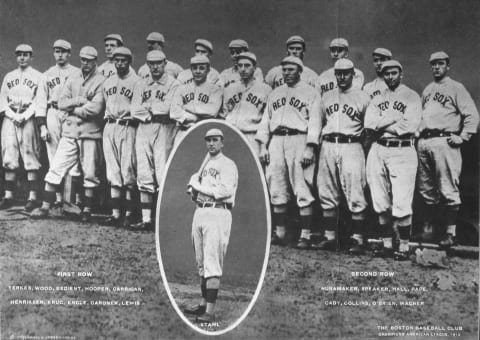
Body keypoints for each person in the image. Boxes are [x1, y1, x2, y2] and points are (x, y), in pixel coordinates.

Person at [31, 46, 105, 222]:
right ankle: (45, 207)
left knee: (89, 172)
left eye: (89, 60)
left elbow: (96, 109)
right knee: (56, 166)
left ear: (95, 61)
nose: (85, 63)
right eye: (83, 60)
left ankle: (86, 209)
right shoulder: (73, 78)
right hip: (70, 131)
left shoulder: (102, 80)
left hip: (90, 132)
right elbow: (62, 103)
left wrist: (74, 110)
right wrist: (79, 101)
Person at [256, 56, 321, 248]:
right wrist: (262, 145)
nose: (287, 73)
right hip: (276, 139)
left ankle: (306, 235)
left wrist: (310, 147)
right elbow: (265, 122)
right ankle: (280, 233)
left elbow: (315, 122)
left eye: (291, 70)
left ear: (300, 71)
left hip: (299, 138)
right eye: (284, 70)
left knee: (301, 184)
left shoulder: (311, 92)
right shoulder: (275, 93)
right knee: (275, 183)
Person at [415, 51, 479, 248]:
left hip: (445, 141)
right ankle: (429, 230)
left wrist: (462, 136)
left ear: (447, 66)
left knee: (448, 187)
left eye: (440, 64)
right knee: (426, 189)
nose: (436, 67)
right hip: (425, 141)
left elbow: (472, 115)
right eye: (433, 64)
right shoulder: (427, 90)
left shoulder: (456, 88)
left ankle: (450, 233)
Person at [364, 60, 421, 260]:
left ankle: (403, 246)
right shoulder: (377, 98)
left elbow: (409, 126)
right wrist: (393, 121)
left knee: (402, 199)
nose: (389, 76)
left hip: (402, 149)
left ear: (401, 73)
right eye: (386, 73)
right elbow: (369, 124)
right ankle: (387, 244)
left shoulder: (412, 96)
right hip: (378, 149)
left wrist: (382, 124)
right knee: (379, 198)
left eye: (393, 73)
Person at [315, 59, 371, 254]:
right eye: (339, 73)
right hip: (329, 144)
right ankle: (330, 237)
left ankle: (358, 239)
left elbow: (369, 127)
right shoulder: (326, 97)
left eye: (346, 73)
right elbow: (318, 122)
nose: (342, 77)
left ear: (353, 74)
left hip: (351, 144)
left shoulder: (363, 97)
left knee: (355, 189)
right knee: (327, 190)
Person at [183, 128, 238, 324]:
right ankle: (204, 303)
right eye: (208, 140)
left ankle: (210, 312)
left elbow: (223, 192)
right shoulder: (205, 164)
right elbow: (198, 193)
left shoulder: (228, 164)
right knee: (201, 262)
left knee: (212, 263)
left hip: (218, 212)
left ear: (222, 142)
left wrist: (198, 186)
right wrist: (194, 188)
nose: (211, 144)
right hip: (201, 211)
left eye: (215, 140)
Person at [130, 50, 181, 231]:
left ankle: (163, 220)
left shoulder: (174, 84)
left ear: (165, 63)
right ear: (147, 65)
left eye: (159, 63)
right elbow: (134, 110)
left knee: (163, 172)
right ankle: (146, 219)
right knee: (144, 172)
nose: (155, 66)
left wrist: (149, 108)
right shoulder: (141, 83)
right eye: (151, 63)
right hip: (144, 128)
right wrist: (151, 110)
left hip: (165, 128)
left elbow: (168, 109)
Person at [0, 44, 46, 211]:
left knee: (30, 154)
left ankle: (33, 197)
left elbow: (39, 101)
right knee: (9, 154)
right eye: (19, 54)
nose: (22, 57)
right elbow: (2, 99)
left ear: (31, 57)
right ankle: (8, 196)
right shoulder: (9, 76)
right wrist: (12, 115)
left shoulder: (39, 76)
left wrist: (24, 116)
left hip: (28, 118)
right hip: (10, 117)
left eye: (25, 55)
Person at [40, 39, 81, 213]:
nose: (60, 54)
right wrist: (42, 126)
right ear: (53, 53)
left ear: (69, 53)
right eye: (57, 51)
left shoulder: (77, 73)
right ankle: (58, 199)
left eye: (63, 51)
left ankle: (73, 200)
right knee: (54, 156)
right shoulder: (47, 74)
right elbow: (41, 101)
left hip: (71, 115)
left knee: (74, 158)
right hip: (53, 112)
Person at [101, 47, 140, 228]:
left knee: (128, 170)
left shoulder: (137, 82)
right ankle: (116, 213)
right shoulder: (108, 81)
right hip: (109, 126)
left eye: (123, 60)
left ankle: (130, 214)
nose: (119, 63)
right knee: (112, 171)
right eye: (117, 60)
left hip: (128, 126)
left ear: (129, 61)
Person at [222, 52, 271, 154]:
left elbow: (266, 120)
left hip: (252, 136)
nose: (243, 69)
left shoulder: (265, 89)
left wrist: (263, 144)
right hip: (231, 135)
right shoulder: (229, 89)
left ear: (254, 67)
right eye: (240, 66)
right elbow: (224, 113)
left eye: (247, 65)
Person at [171, 55, 223, 145]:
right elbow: (174, 112)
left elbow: (212, 111)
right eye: (195, 68)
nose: (198, 71)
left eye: (201, 68)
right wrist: (195, 117)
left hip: (204, 132)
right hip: (183, 131)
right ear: (191, 69)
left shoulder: (215, 89)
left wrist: (185, 107)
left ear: (208, 70)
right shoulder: (182, 88)